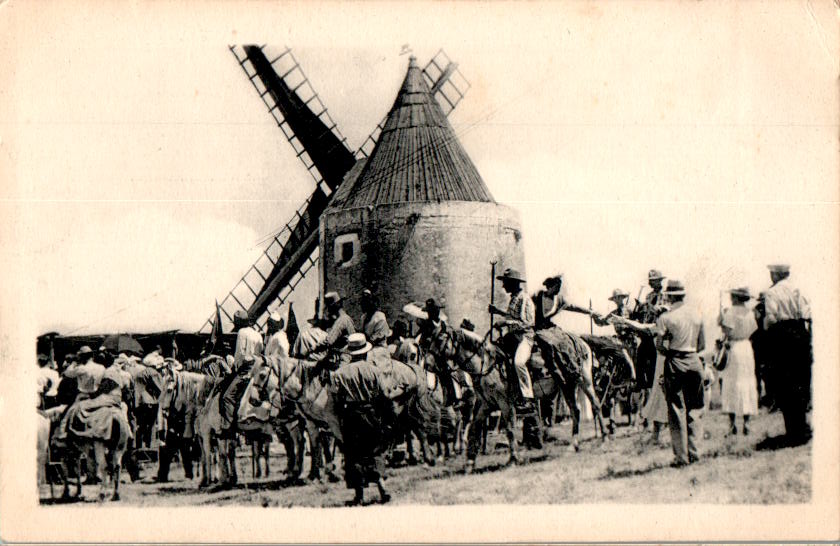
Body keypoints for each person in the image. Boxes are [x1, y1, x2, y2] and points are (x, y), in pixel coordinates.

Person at [327, 334, 395, 505]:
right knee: (375, 452)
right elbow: (385, 395)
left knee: (354, 455)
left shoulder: (339, 374)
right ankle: (383, 488)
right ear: (365, 351)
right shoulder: (374, 370)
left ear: (350, 352)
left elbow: (334, 401)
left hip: (352, 417)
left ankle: (360, 496)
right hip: (372, 414)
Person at [655, 279, 706, 466]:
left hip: (675, 360)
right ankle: (695, 452)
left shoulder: (666, 318)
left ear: (669, 296)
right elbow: (702, 345)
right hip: (694, 359)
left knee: (676, 409)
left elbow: (659, 345)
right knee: (696, 408)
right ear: (684, 295)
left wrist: (668, 351)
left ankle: (681, 457)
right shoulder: (697, 314)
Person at [762, 264, 812, 444]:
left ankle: (793, 431)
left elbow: (771, 317)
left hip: (781, 337)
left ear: (775, 274)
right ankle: (802, 429)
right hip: (800, 335)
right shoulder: (798, 289)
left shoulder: (772, 293)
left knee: (785, 385)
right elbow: (807, 313)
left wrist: (768, 332)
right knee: (800, 383)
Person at [489, 268, 535, 403]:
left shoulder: (525, 298)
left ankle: (528, 397)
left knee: (519, 362)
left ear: (514, 283)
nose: (503, 286)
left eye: (506, 282)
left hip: (525, 337)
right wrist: (497, 311)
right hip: (512, 338)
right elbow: (512, 316)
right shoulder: (514, 298)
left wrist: (505, 322)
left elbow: (527, 322)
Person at [718, 287, 759, 436]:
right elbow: (753, 329)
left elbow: (727, 332)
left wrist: (721, 322)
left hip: (734, 347)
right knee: (747, 382)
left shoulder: (731, 312)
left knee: (732, 383)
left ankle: (732, 424)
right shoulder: (749, 313)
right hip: (746, 347)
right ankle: (747, 423)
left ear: (735, 297)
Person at [220, 310, 264, 436]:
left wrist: (235, 367)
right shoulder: (258, 334)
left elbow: (240, 353)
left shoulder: (241, 332)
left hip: (245, 369)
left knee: (227, 397)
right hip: (257, 369)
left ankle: (229, 428)